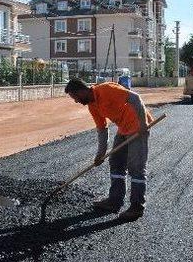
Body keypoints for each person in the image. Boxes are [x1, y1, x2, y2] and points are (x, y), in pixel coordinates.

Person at [65, 78, 152, 220]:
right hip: (123, 128)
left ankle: (137, 207)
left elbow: (136, 98)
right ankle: (115, 200)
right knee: (116, 162)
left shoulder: (106, 89)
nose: (76, 101)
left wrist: (143, 123)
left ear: (81, 91)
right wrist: (100, 154)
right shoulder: (92, 106)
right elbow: (102, 130)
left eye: (75, 97)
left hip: (138, 127)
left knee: (136, 167)